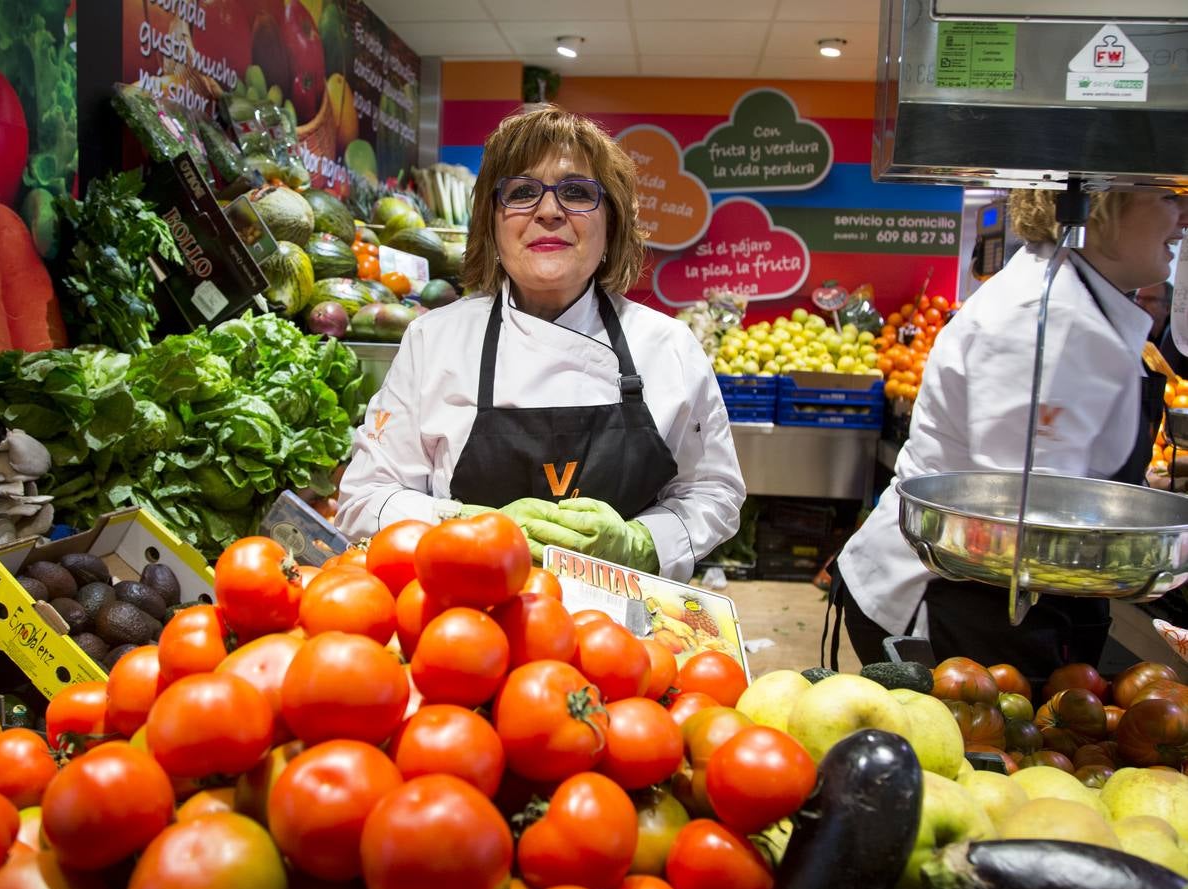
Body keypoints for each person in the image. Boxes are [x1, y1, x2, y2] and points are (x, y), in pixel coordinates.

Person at [336, 106, 745, 580]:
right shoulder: (435, 340)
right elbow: (365, 497)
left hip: (627, 635)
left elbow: (714, 490)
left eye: (575, 192)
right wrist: (466, 526)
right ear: (492, 224)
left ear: (611, 222)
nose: (549, 211)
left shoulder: (668, 346)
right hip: (467, 628)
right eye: (523, 191)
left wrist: (643, 543)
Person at [829, 187, 1188, 679]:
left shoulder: (1077, 299)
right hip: (957, 603)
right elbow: (1022, 519)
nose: (1184, 217)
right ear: (1101, 203)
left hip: (1002, 596)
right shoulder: (1045, 321)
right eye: (1168, 195)